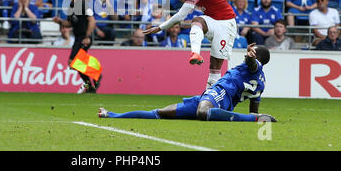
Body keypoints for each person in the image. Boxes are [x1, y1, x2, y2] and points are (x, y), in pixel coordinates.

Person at [99, 43, 276, 123]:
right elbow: (254, 109)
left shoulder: (255, 65)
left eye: (252, 52)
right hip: (218, 100)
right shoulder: (261, 83)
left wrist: (251, 57)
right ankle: (112, 115)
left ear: (257, 57)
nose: (247, 54)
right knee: (160, 113)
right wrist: (256, 116)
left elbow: (254, 65)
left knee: (202, 112)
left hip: (221, 92)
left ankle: (249, 121)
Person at [143, 0, 258, 88]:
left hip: (227, 25)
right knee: (197, 21)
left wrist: (160, 27)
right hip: (212, 20)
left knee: (215, 69)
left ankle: (211, 98)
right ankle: (195, 53)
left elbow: (181, 15)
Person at [52, 0, 100, 93]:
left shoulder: (83, 5)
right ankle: (90, 85)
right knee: (76, 63)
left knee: (73, 61)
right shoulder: (72, 7)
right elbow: (69, 24)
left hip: (84, 37)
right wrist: (59, 21)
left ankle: (95, 76)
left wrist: (87, 36)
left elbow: (92, 21)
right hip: (78, 37)